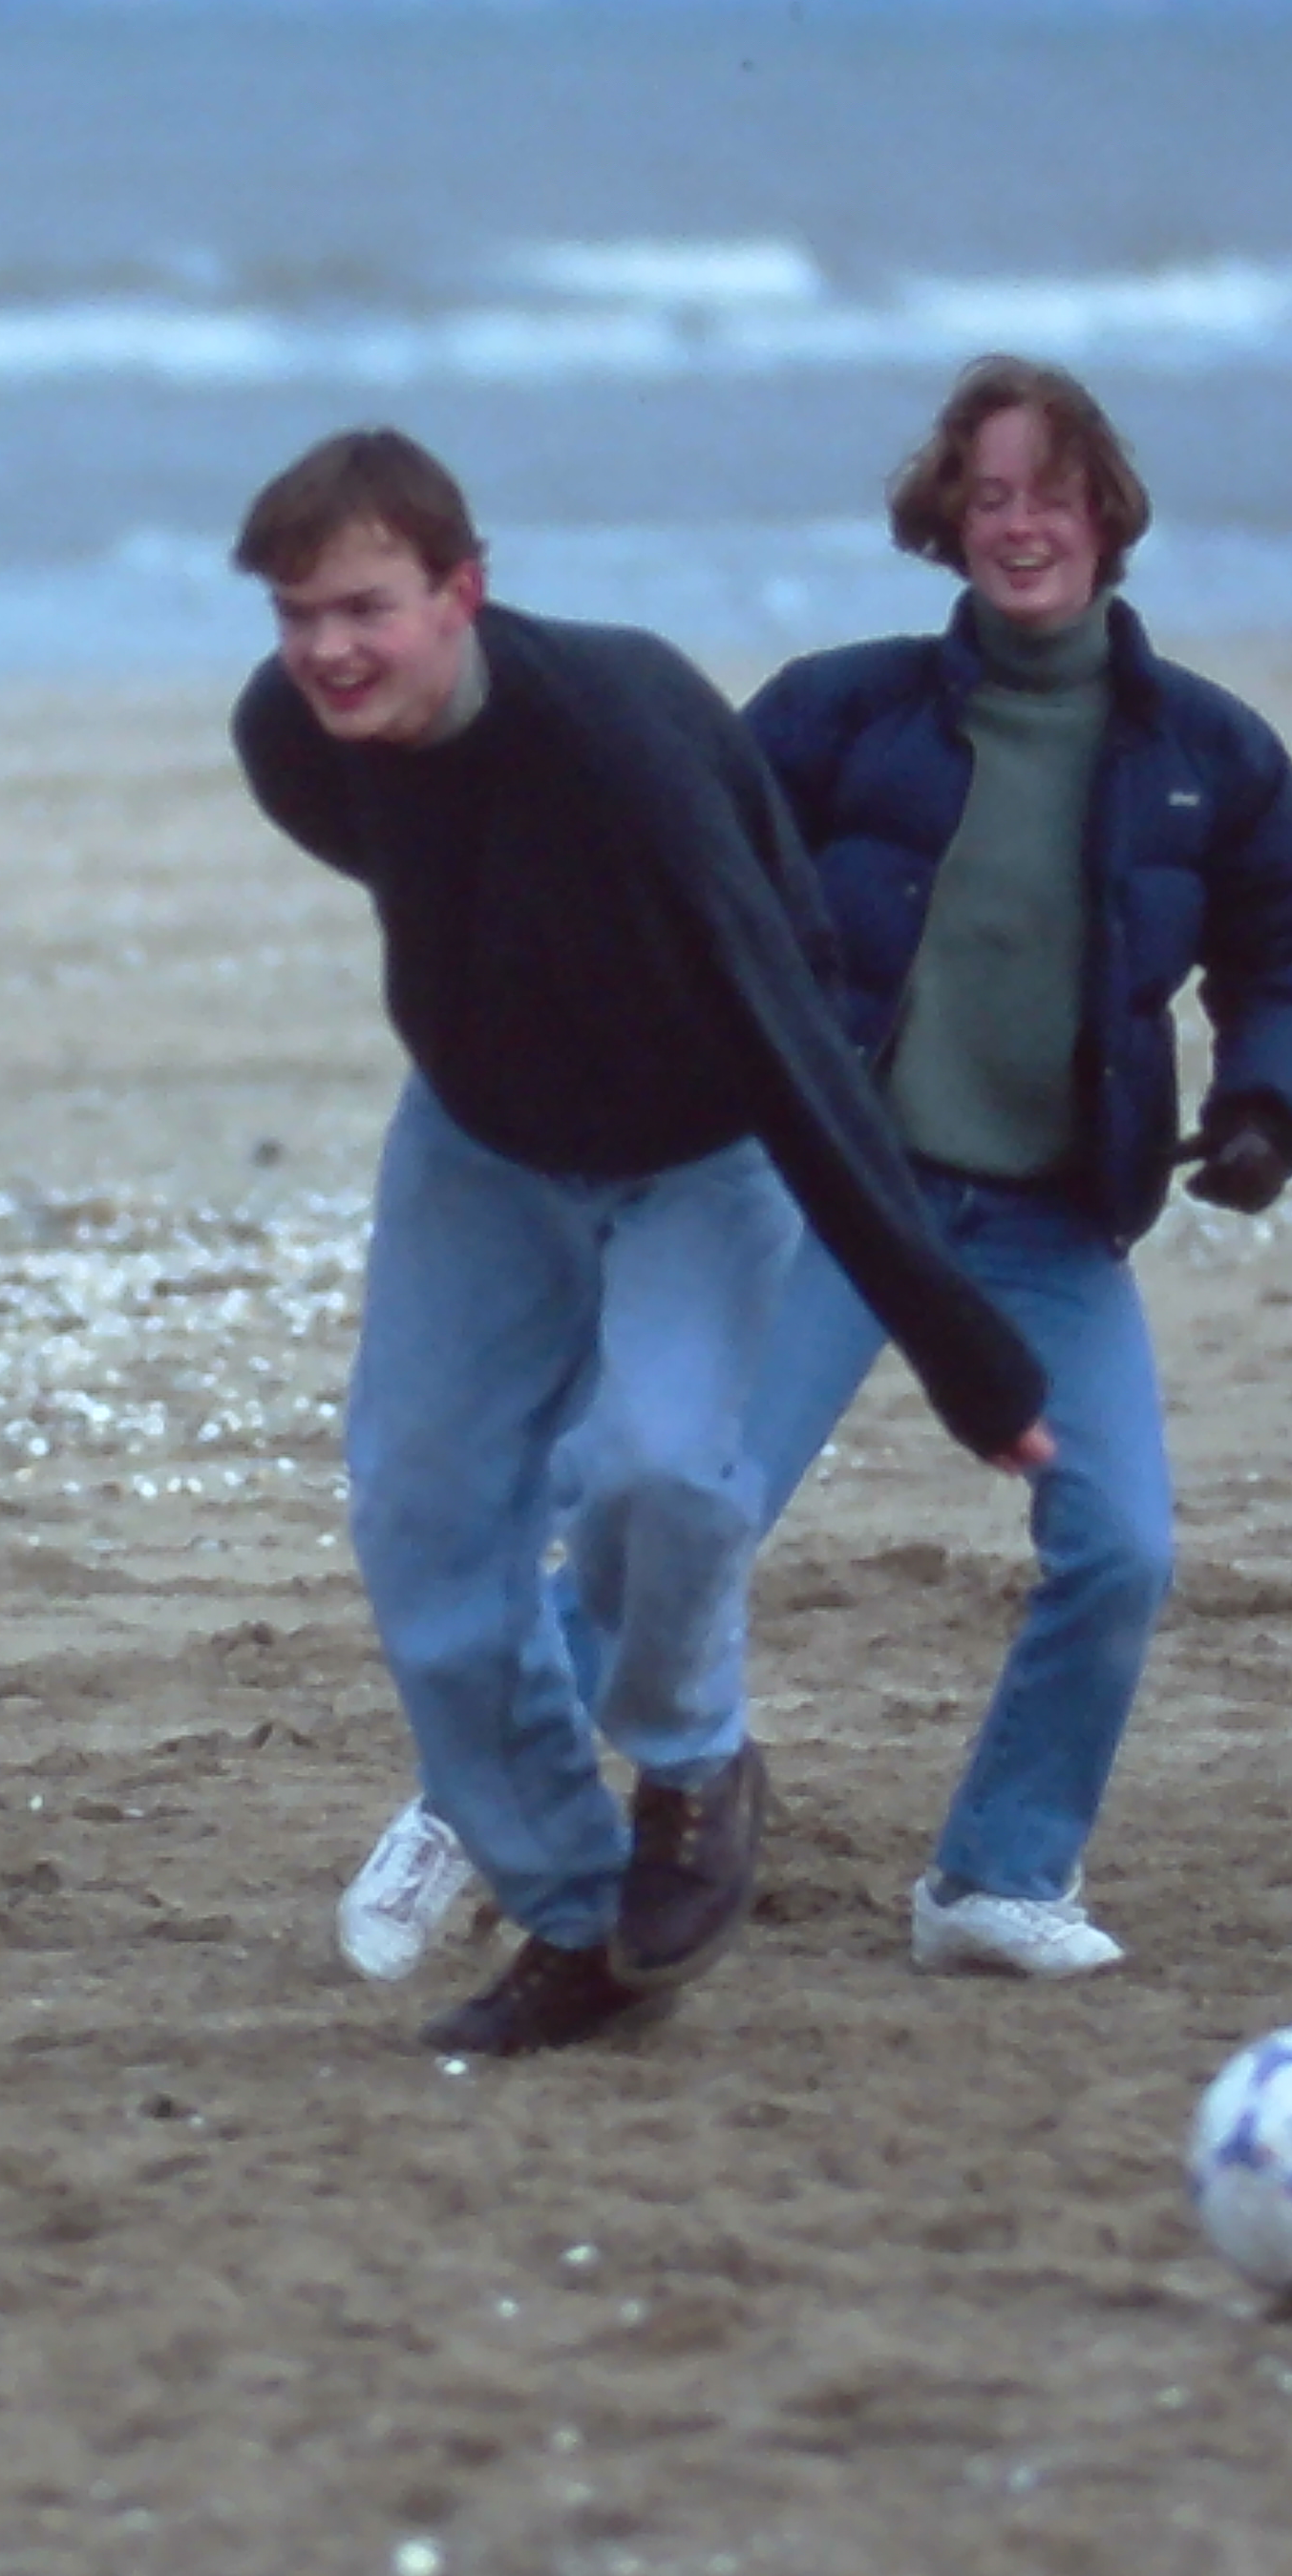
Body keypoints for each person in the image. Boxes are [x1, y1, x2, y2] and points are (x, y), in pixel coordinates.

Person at [337, 356, 1292, 1983]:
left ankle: (996, 1880)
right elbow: (676, 865)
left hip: (1047, 1226)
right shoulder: (841, 711)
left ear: (1104, 512)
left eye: (1049, 492)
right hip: (821, 1195)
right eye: (988, 496)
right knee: (670, 1514)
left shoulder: (1205, 755)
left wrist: (1268, 1105)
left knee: (1123, 1550)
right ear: (947, 526)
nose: (1020, 525)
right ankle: (469, 1810)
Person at [234, 429, 1058, 2059]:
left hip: (705, 1140)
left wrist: (968, 1358)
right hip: (481, 1146)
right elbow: (424, 862)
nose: (327, 649)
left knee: (664, 1475)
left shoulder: (615, 745)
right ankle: (576, 1911)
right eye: (295, 612)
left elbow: (791, 1042)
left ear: (462, 593)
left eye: (365, 608)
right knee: (424, 1520)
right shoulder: (293, 734)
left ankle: (691, 1768)